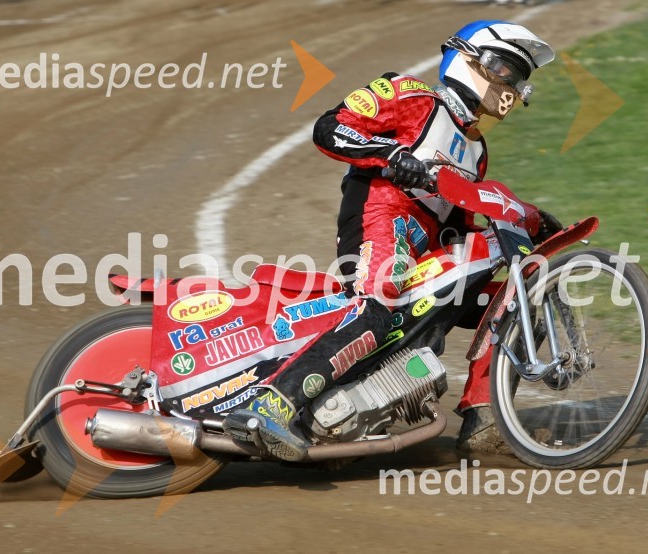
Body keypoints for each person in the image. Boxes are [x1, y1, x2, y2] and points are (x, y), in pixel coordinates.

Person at [224, 20, 557, 461]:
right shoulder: (411, 95)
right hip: (379, 218)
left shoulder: (476, 151)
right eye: (504, 68)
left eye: (520, 77)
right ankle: (272, 405)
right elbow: (330, 128)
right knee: (379, 313)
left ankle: (481, 416)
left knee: (514, 307)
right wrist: (390, 155)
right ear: (466, 58)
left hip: (422, 250)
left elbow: (453, 231)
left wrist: (520, 225)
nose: (511, 85)